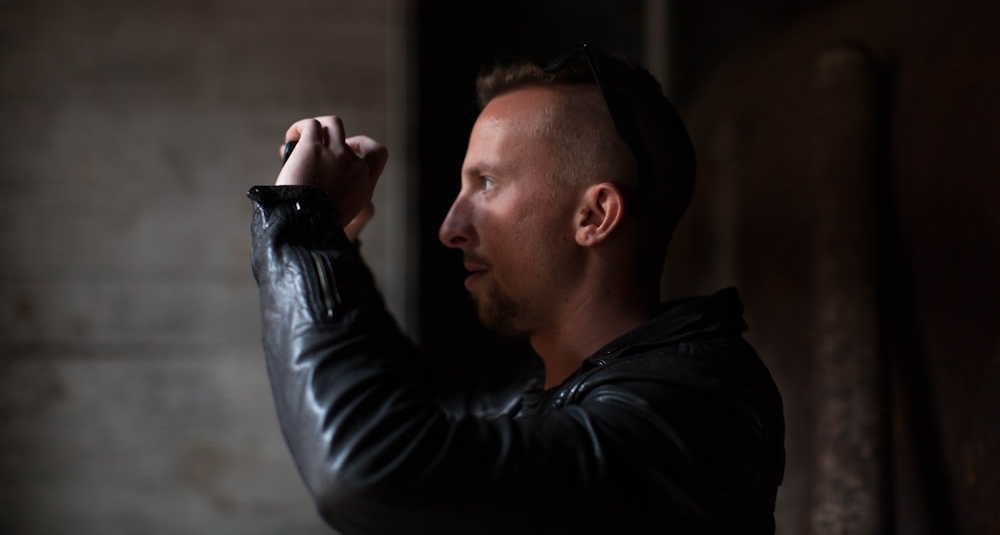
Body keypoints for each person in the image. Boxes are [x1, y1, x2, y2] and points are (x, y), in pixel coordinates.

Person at [248, 44, 785, 534]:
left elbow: (366, 471)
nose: (450, 227)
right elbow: (417, 405)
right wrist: (333, 238)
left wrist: (299, 222)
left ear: (594, 215)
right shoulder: (567, 387)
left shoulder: (690, 410)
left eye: (486, 184)